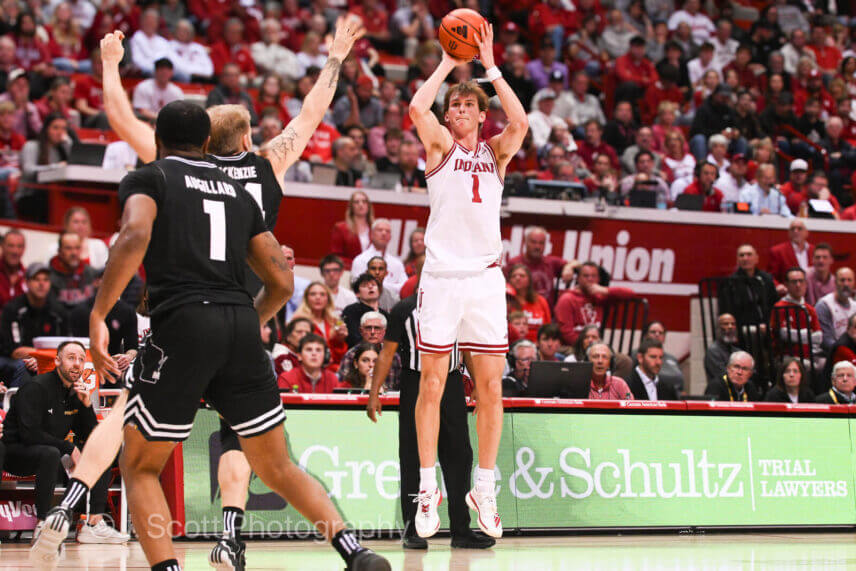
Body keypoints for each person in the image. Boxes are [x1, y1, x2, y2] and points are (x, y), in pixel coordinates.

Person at [32, 25, 390, 571]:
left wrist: (109, 63)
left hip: (182, 321)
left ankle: (96, 520)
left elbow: (121, 131)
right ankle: (350, 550)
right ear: (237, 139)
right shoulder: (260, 171)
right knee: (274, 461)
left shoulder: (157, 172)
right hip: (243, 322)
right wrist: (335, 58)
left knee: (137, 447)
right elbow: (310, 117)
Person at [408, 21, 528, 540]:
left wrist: (490, 66)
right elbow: (417, 109)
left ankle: (484, 484)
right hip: (441, 277)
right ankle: (427, 484)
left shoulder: (496, 153)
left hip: (483, 279)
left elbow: (521, 123)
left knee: (490, 387)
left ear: (481, 115)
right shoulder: (439, 147)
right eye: (452, 105)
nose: (455, 111)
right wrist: (446, 62)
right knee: (432, 382)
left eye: (465, 106)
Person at [367, 292, 492, 550]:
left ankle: (461, 530)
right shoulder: (404, 309)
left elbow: (466, 347)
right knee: (413, 455)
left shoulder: (459, 305)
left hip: (452, 382)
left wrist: (477, 382)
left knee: (460, 454)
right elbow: (386, 353)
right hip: (416, 381)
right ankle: (412, 529)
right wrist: (374, 392)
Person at [3, 341, 127, 543]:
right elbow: (29, 435)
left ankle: (92, 523)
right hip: (14, 454)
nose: (77, 364)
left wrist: (86, 405)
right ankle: (43, 524)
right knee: (50, 453)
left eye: (81, 359)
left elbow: (91, 436)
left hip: (51, 456)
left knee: (99, 451)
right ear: (57, 361)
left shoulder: (74, 393)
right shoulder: (37, 387)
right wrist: (70, 448)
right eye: (71, 358)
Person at [0, 263, 67, 387]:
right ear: (27, 283)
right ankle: (17, 404)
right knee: (24, 366)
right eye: (36, 279)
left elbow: (66, 346)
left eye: (46, 280)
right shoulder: (13, 309)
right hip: (13, 360)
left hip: (49, 359)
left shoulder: (58, 312)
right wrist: (41, 358)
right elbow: (15, 352)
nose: (41, 284)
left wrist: (41, 359)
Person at [554, 261, 635, 346]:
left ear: (598, 279)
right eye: (586, 276)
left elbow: (630, 294)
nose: (590, 279)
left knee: (622, 359)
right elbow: (566, 334)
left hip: (595, 346)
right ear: (578, 278)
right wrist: (588, 347)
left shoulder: (600, 296)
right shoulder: (567, 299)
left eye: (594, 276)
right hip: (573, 347)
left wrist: (605, 290)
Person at [17, 113, 71, 222]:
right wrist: (56, 166)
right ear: (46, 129)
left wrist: (68, 143)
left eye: (63, 129)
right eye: (55, 128)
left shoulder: (61, 150)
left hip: (53, 194)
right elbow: (28, 171)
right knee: (47, 198)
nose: (60, 133)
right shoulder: (32, 146)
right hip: (29, 195)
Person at [504, 226, 575, 305]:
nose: (537, 246)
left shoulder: (551, 262)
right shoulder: (514, 263)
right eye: (533, 242)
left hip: (546, 313)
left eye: (541, 243)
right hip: (520, 312)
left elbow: (576, 263)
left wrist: (568, 267)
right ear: (525, 242)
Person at [771, 267, 822, 369]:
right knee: (806, 366)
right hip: (786, 356)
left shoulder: (809, 308)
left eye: (801, 281)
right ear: (786, 285)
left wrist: (796, 335)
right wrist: (808, 334)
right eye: (794, 282)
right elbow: (784, 334)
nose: (798, 285)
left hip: (810, 354)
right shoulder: (779, 307)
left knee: (827, 364)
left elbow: (818, 337)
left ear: (806, 284)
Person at [718, 244, 778, 329]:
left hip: (767, 328)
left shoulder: (766, 279)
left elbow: (774, 303)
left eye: (749, 255)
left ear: (756, 259)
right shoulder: (730, 282)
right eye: (741, 255)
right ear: (737, 260)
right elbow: (726, 310)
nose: (745, 258)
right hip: (742, 328)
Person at [292, 281, 349, 370]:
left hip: (333, 369)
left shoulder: (334, 321)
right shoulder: (299, 321)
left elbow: (339, 358)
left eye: (322, 294)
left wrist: (339, 340)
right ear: (306, 298)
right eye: (313, 294)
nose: (318, 297)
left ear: (328, 299)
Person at [338, 311, 401, 390]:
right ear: (361, 331)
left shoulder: (393, 356)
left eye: (377, 328)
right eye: (368, 328)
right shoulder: (350, 355)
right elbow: (342, 389)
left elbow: (400, 388)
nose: (372, 332)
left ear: (384, 332)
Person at [350, 219, 407, 295]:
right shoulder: (360, 260)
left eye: (387, 231)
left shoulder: (397, 263)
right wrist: (392, 287)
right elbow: (357, 286)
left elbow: (405, 287)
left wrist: (380, 285)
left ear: (390, 236)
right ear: (371, 234)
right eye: (380, 230)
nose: (384, 233)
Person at [277, 334, 344, 393]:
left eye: (318, 350)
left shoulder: (332, 379)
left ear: (325, 356)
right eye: (309, 349)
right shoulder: (286, 378)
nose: (314, 353)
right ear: (299, 356)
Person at [506, 263, 552, 342]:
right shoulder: (505, 302)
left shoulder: (540, 300)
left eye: (522, 276)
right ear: (509, 280)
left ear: (529, 280)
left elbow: (547, 328)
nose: (517, 278)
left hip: (538, 345)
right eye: (514, 276)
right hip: (513, 344)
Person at [637, 321, 684, 395]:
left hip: (673, 396)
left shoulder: (672, 359)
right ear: (645, 335)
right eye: (653, 332)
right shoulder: (636, 354)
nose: (657, 334)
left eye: (660, 333)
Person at [816, 268, 856, 354]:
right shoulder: (824, 305)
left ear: (854, 283)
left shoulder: (854, 305)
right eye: (842, 280)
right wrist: (845, 352)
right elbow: (825, 340)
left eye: (849, 280)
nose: (846, 284)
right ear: (835, 282)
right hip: (832, 353)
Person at [342, 273, 389, 347]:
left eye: (373, 285)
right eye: (364, 286)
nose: (370, 287)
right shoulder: (351, 311)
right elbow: (353, 337)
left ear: (379, 291)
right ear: (357, 293)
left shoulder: (386, 315)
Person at [131, 57, 184, 122]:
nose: (164, 73)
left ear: (172, 72)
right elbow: (142, 110)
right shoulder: (143, 87)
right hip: (145, 122)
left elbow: (179, 112)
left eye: (167, 71)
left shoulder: (177, 91)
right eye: (161, 70)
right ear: (155, 71)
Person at [331, 190, 374, 266]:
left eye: (364, 202)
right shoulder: (341, 228)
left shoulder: (374, 228)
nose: (361, 204)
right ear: (351, 206)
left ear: (368, 206)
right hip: (349, 270)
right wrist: (357, 264)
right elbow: (336, 257)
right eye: (356, 202)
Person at [768, 218, 814, 284]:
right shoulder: (778, 251)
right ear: (789, 233)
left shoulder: (814, 251)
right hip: (788, 292)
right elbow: (771, 277)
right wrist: (778, 286)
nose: (796, 231)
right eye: (793, 229)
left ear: (807, 233)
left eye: (799, 229)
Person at [704, 313, 739, 384]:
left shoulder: (737, 352)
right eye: (726, 324)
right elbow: (724, 376)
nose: (730, 327)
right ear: (718, 328)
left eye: (733, 324)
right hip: (720, 392)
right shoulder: (713, 352)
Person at [0, 229, 26, 310]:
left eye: (19, 246)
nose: (15, 251)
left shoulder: (29, 277)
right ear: (2, 246)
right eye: (11, 246)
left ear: (24, 249)